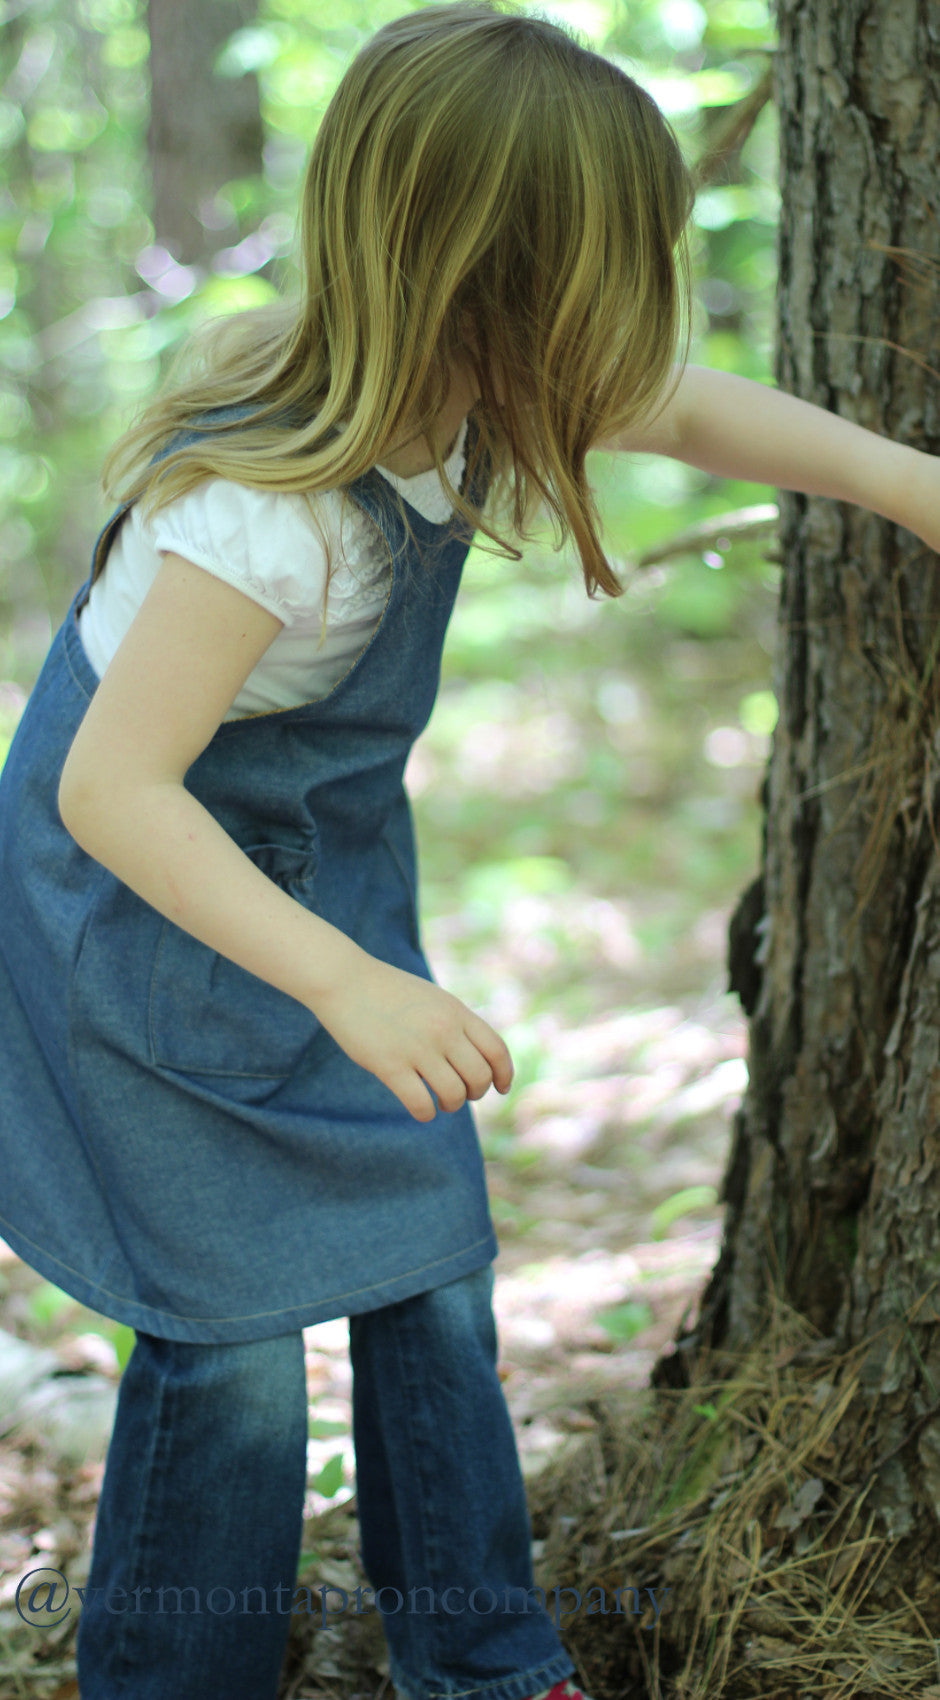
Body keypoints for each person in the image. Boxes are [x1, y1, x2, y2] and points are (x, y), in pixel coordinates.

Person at [1, 3, 938, 1697]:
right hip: (142, 931)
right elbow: (113, 794)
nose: (630, 333)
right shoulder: (267, 516)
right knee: (230, 1350)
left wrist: (914, 483)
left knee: (428, 1261)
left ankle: (488, 1663)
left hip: (307, 893)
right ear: (486, 291)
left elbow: (689, 408)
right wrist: (352, 986)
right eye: (605, 284)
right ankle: (172, 1674)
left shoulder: (480, 388)